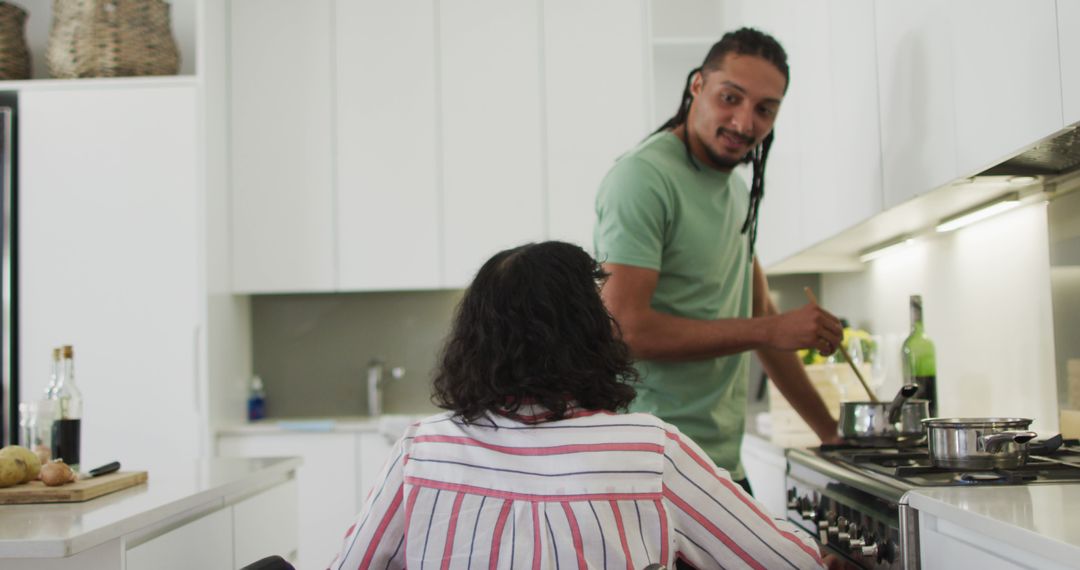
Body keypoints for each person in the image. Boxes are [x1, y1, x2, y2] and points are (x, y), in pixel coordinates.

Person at [328, 241, 825, 569]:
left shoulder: (423, 449)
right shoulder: (649, 451)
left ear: (474, 339)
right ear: (589, 331)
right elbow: (785, 564)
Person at [594, 28, 844, 493]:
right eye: (730, 97)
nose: (744, 123)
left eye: (764, 109)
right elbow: (625, 328)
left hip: (720, 465)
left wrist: (831, 434)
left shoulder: (735, 191)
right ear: (696, 87)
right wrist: (771, 328)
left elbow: (763, 319)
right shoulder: (643, 178)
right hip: (652, 466)